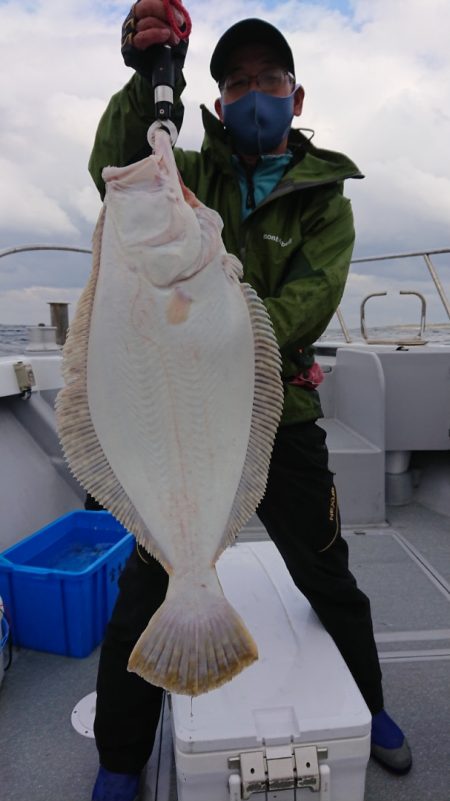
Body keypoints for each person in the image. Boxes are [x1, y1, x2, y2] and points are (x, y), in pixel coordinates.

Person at [87, 6, 412, 799]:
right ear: (220, 97)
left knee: (327, 573)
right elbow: (115, 165)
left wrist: (224, 309)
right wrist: (145, 79)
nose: (253, 93)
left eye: (269, 80)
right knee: (146, 583)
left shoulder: (326, 200)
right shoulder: (189, 173)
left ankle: (372, 708)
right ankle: (120, 756)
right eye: (236, 82)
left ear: (296, 98)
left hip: (284, 423)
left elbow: (311, 299)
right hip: (186, 424)